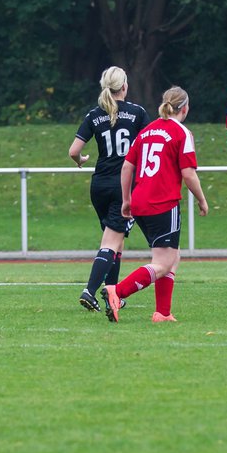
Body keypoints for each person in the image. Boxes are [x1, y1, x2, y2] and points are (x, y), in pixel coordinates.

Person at [101, 86, 209, 323]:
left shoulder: (147, 131)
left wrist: (127, 199)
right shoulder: (182, 133)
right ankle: (117, 291)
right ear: (185, 108)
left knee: (172, 256)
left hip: (141, 202)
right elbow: (188, 174)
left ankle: (163, 312)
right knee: (162, 263)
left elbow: (127, 166)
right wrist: (202, 200)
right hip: (163, 203)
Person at [71, 67, 150, 313]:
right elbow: (150, 144)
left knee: (115, 244)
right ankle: (90, 291)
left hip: (99, 186)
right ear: (124, 86)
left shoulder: (94, 115)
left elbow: (74, 151)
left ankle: (111, 295)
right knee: (111, 243)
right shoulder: (137, 113)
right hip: (123, 187)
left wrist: (80, 160)